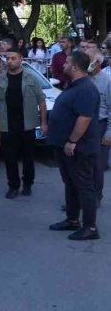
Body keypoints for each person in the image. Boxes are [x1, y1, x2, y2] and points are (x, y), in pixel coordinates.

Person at [47, 51, 102, 241]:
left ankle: (90, 228)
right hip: (65, 147)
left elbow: (84, 118)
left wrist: (72, 141)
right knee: (70, 184)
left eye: (67, 62)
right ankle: (72, 220)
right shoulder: (74, 85)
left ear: (75, 66)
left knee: (84, 186)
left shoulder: (86, 88)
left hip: (79, 148)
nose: (64, 64)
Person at [0, 48, 47, 198]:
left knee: (28, 157)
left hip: (27, 124)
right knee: (10, 158)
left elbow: (41, 100)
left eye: (13, 58)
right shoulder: (0, 80)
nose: (10, 61)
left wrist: (44, 123)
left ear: (21, 59)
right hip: (7, 125)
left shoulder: (31, 78)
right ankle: (13, 186)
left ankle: (28, 183)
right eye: (7, 58)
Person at [86, 48, 111, 201]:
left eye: (87, 59)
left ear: (97, 63)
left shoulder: (107, 81)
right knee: (81, 164)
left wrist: (109, 132)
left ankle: (95, 197)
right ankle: (81, 197)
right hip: (82, 126)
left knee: (97, 165)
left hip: (99, 126)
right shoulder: (82, 79)